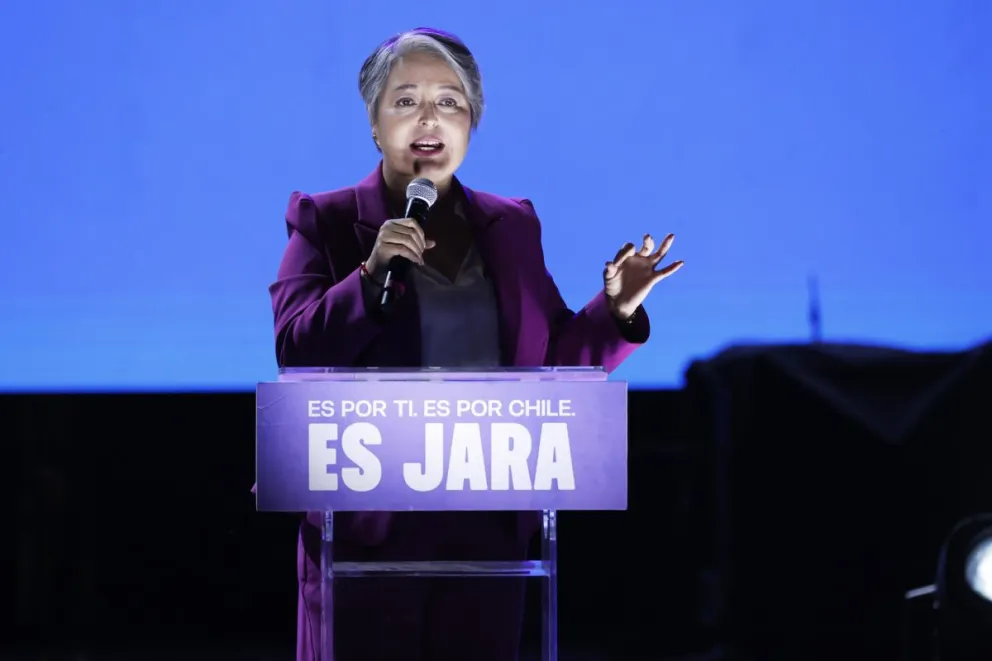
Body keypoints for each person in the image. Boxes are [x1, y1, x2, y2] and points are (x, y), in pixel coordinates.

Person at [268, 27, 683, 661]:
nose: (428, 119)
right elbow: (295, 350)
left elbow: (550, 366)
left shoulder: (510, 224)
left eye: (449, 102)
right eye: (405, 101)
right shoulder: (326, 221)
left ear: (471, 122)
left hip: (488, 528)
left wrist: (616, 311)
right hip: (368, 532)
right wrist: (370, 275)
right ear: (375, 125)